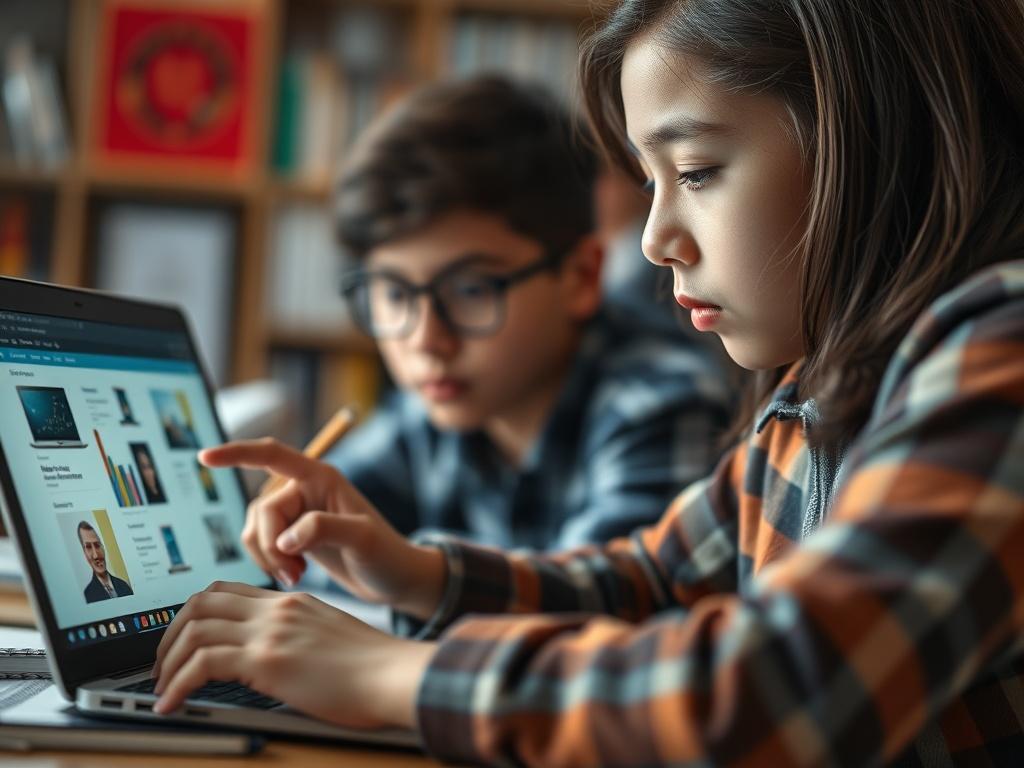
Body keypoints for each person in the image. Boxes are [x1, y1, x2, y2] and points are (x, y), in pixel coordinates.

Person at [152, 0, 1024, 764]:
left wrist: (390, 671)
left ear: (873, 135)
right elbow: (650, 580)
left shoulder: (1002, 353)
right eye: (649, 183)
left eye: (695, 172)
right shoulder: (818, 389)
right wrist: (414, 573)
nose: (652, 239)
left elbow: (781, 695)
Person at [311, 75, 731, 560]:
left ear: (580, 277)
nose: (427, 340)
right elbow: (314, 547)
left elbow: (592, 612)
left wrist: (411, 574)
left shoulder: (662, 403)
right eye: (394, 293)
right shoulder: (431, 412)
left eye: (471, 289)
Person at [78, 521, 133, 603]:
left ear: (103, 548)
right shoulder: (87, 596)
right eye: (88, 547)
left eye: (97, 545)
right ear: (84, 553)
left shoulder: (123, 585)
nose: (96, 555)